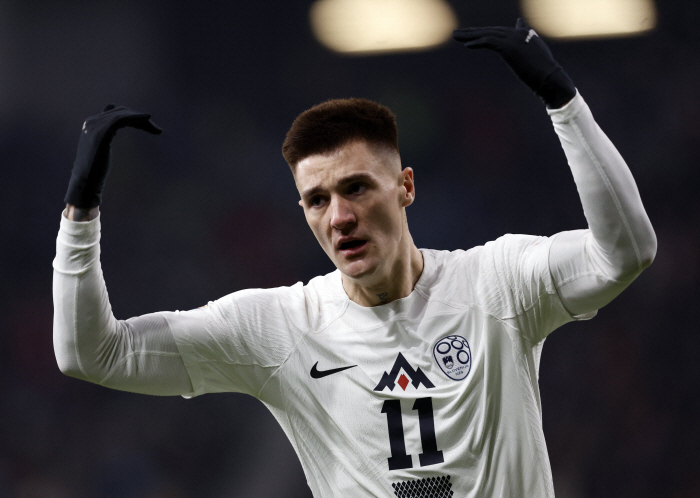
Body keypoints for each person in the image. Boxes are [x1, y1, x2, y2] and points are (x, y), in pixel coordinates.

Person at [53, 19, 656, 498]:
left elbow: (625, 252)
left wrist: (562, 101)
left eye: (357, 188)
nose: (339, 216)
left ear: (406, 187)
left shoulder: (497, 283)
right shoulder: (281, 328)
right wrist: (81, 210)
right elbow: (92, 353)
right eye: (317, 200)